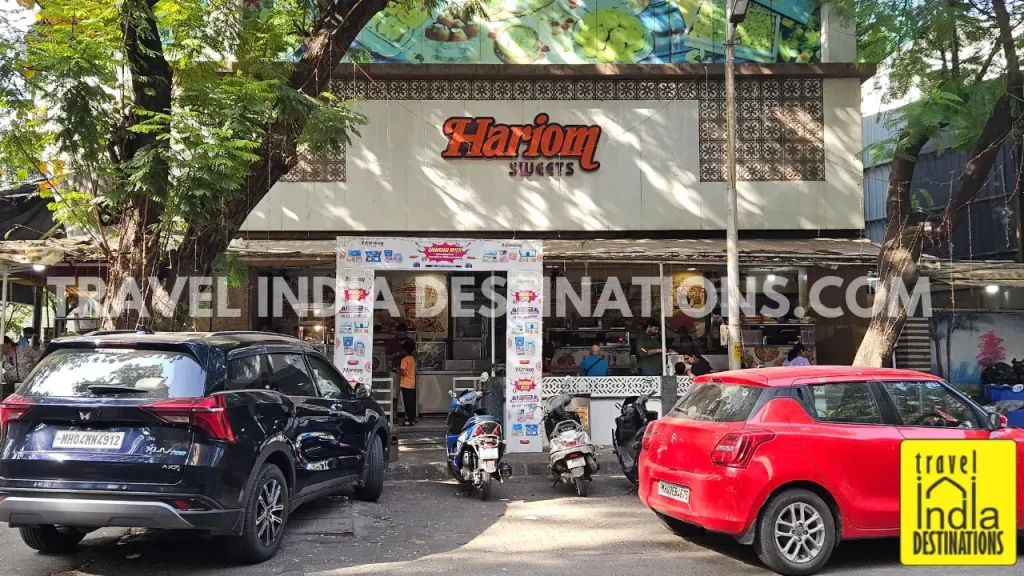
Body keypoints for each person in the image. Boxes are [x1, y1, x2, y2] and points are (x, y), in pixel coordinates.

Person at [399, 339, 417, 426]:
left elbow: (403, 372)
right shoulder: (412, 359)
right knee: (411, 402)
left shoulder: (404, 360)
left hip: (405, 383)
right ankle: (412, 419)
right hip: (412, 383)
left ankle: (407, 419)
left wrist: (396, 370)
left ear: (404, 350)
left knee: (406, 403)